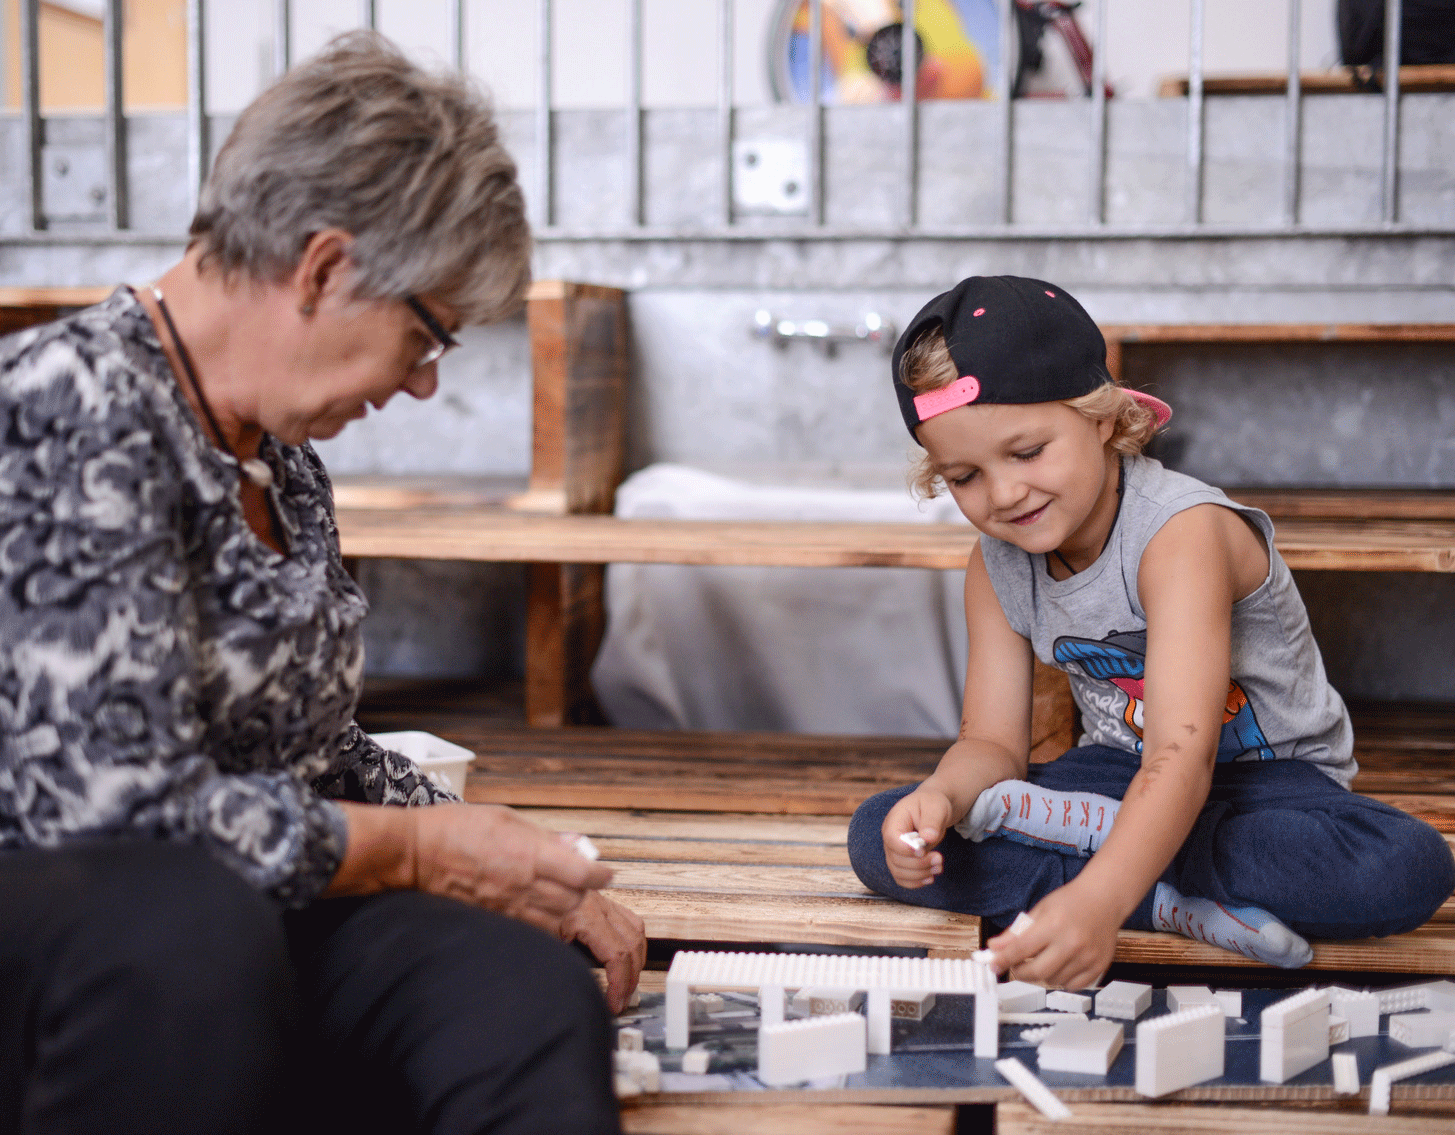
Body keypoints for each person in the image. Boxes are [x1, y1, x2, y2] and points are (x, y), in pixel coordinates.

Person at [0, 33, 642, 1135]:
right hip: (87, 937)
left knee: (516, 994)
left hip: (250, 906)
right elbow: (111, 814)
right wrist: (432, 852)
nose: (425, 383)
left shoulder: (283, 461)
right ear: (326, 267)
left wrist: (517, 862)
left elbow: (314, 751)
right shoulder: (71, 401)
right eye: (426, 334)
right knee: (190, 931)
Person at [846, 275, 1454, 991]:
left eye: (1027, 451)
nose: (1004, 493)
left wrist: (1101, 897)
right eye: (964, 475)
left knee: (1401, 865)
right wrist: (943, 799)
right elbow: (991, 745)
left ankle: (1111, 874)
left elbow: (1180, 749)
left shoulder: (1181, 533)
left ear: (1103, 418)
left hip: (1270, 787)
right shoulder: (995, 566)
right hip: (1110, 778)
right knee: (879, 834)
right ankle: (1171, 902)